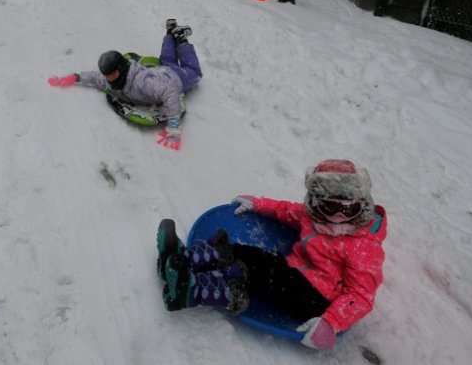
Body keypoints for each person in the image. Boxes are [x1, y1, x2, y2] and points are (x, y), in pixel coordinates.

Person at [156, 159, 387, 351]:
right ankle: (183, 259)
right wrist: (258, 204)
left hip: (318, 301)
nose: (337, 218)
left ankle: (192, 289)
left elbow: (362, 295)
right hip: (292, 270)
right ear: (316, 202)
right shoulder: (312, 217)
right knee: (246, 253)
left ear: (362, 205)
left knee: (259, 274)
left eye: (347, 210)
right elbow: (286, 211)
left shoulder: (364, 246)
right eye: (329, 207)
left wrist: (331, 322)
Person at [47, 19, 200, 150]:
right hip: (161, 71)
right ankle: (170, 32)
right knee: (167, 60)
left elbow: (170, 93)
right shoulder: (112, 80)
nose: (107, 78)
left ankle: (181, 40)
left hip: (174, 78)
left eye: (111, 74)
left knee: (193, 71)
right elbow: (95, 77)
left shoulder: (142, 83)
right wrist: (75, 77)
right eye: (106, 74)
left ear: (120, 69)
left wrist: (173, 126)